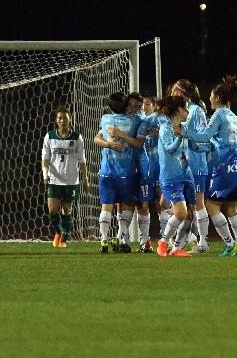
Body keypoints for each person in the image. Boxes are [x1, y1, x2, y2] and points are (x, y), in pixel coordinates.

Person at [180, 75, 237, 257]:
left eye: (211, 95)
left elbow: (205, 136)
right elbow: (216, 142)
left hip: (224, 165)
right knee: (231, 207)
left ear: (217, 98)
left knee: (210, 205)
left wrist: (185, 133)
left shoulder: (219, 114)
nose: (209, 98)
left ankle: (230, 243)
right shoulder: (233, 116)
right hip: (236, 166)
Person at [94, 92, 143, 253]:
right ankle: (121, 236)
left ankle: (103, 240)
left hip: (106, 171)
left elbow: (96, 139)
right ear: (125, 105)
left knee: (106, 206)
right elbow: (138, 143)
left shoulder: (105, 119)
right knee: (129, 205)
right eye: (130, 104)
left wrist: (109, 144)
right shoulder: (135, 121)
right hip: (127, 172)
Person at [169, 79, 211, 252]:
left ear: (180, 93)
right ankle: (188, 240)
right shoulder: (196, 109)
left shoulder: (191, 111)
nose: (171, 93)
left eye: (174, 90)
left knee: (196, 205)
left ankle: (200, 242)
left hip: (192, 164)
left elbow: (183, 132)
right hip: (190, 163)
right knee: (186, 206)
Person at [41, 106, 89, 248]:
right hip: (54, 179)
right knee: (52, 211)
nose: (62, 120)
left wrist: (85, 179)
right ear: (56, 120)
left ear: (70, 119)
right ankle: (58, 231)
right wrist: (45, 174)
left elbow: (82, 160)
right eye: (59, 118)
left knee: (67, 210)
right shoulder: (49, 136)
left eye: (65, 118)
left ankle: (64, 239)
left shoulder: (76, 137)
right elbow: (45, 158)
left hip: (71, 180)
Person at [154, 96, 195, 257]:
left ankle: (177, 247)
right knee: (181, 213)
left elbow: (189, 148)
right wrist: (180, 137)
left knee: (189, 213)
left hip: (185, 175)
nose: (187, 111)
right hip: (171, 177)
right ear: (178, 110)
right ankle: (163, 243)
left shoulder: (183, 127)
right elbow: (170, 149)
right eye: (185, 108)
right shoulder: (166, 128)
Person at [134, 95, 161, 252]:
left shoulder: (158, 121)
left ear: (153, 105)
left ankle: (167, 239)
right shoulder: (139, 123)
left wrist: (159, 135)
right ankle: (145, 242)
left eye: (147, 104)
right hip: (144, 169)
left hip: (158, 168)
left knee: (161, 203)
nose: (144, 107)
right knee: (142, 205)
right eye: (142, 105)